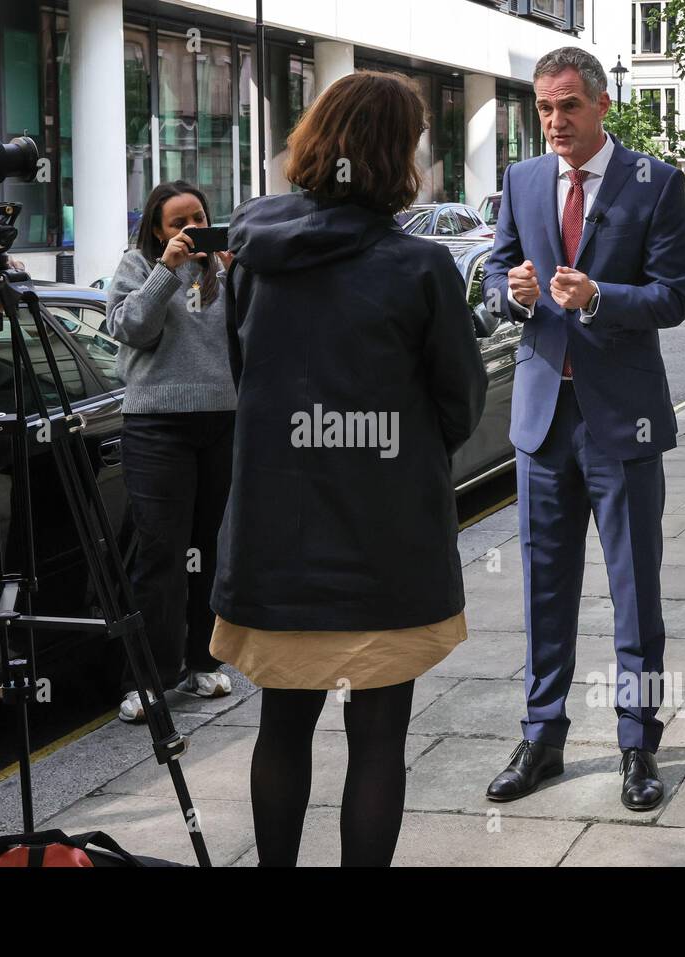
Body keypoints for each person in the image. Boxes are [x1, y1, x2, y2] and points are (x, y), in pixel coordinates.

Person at [209, 71, 488, 866]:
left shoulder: (253, 256)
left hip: (276, 534)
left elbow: (244, 375)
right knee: (377, 739)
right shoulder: (420, 268)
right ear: (393, 154)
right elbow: (460, 405)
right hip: (386, 537)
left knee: (282, 727)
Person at [480, 47, 685, 810]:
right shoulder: (522, 180)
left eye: (568, 105)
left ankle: (638, 743)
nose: (554, 121)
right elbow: (498, 274)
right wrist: (512, 288)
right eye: (543, 107)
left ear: (603, 104)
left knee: (635, 589)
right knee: (543, 588)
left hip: (622, 422)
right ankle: (543, 737)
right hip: (543, 420)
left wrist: (600, 296)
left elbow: (673, 298)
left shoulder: (656, 183)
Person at [104, 182, 237, 722]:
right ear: (158, 229)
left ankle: (203, 660)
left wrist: (235, 273)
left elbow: (250, 331)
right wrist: (167, 269)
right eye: (178, 221)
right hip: (156, 425)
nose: (190, 228)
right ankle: (147, 679)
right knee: (161, 553)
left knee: (209, 546)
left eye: (198, 217)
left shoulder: (225, 270)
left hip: (221, 420)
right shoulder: (138, 266)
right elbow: (130, 328)